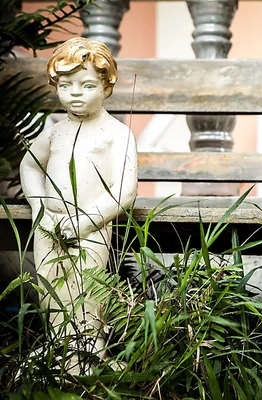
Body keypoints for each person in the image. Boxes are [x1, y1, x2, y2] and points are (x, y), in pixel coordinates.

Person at [19, 37, 138, 369]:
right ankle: (57, 347)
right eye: (65, 85)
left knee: (88, 289)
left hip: (92, 226)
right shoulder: (56, 131)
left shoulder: (117, 134)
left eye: (87, 85)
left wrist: (87, 221)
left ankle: (89, 350)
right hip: (49, 224)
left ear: (106, 86)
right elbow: (29, 165)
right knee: (50, 288)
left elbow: (124, 190)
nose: (74, 93)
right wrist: (40, 206)